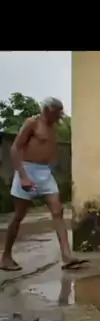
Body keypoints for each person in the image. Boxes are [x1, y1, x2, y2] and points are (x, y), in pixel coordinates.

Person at [0, 97, 87, 271]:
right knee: (18, 215)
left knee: (57, 210)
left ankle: (67, 256)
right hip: (27, 170)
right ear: (47, 110)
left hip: (45, 173)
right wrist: (23, 177)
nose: (59, 116)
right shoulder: (32, 123)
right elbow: (15, 148)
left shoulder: (54, 127)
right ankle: (5, 257)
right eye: (57, 113)